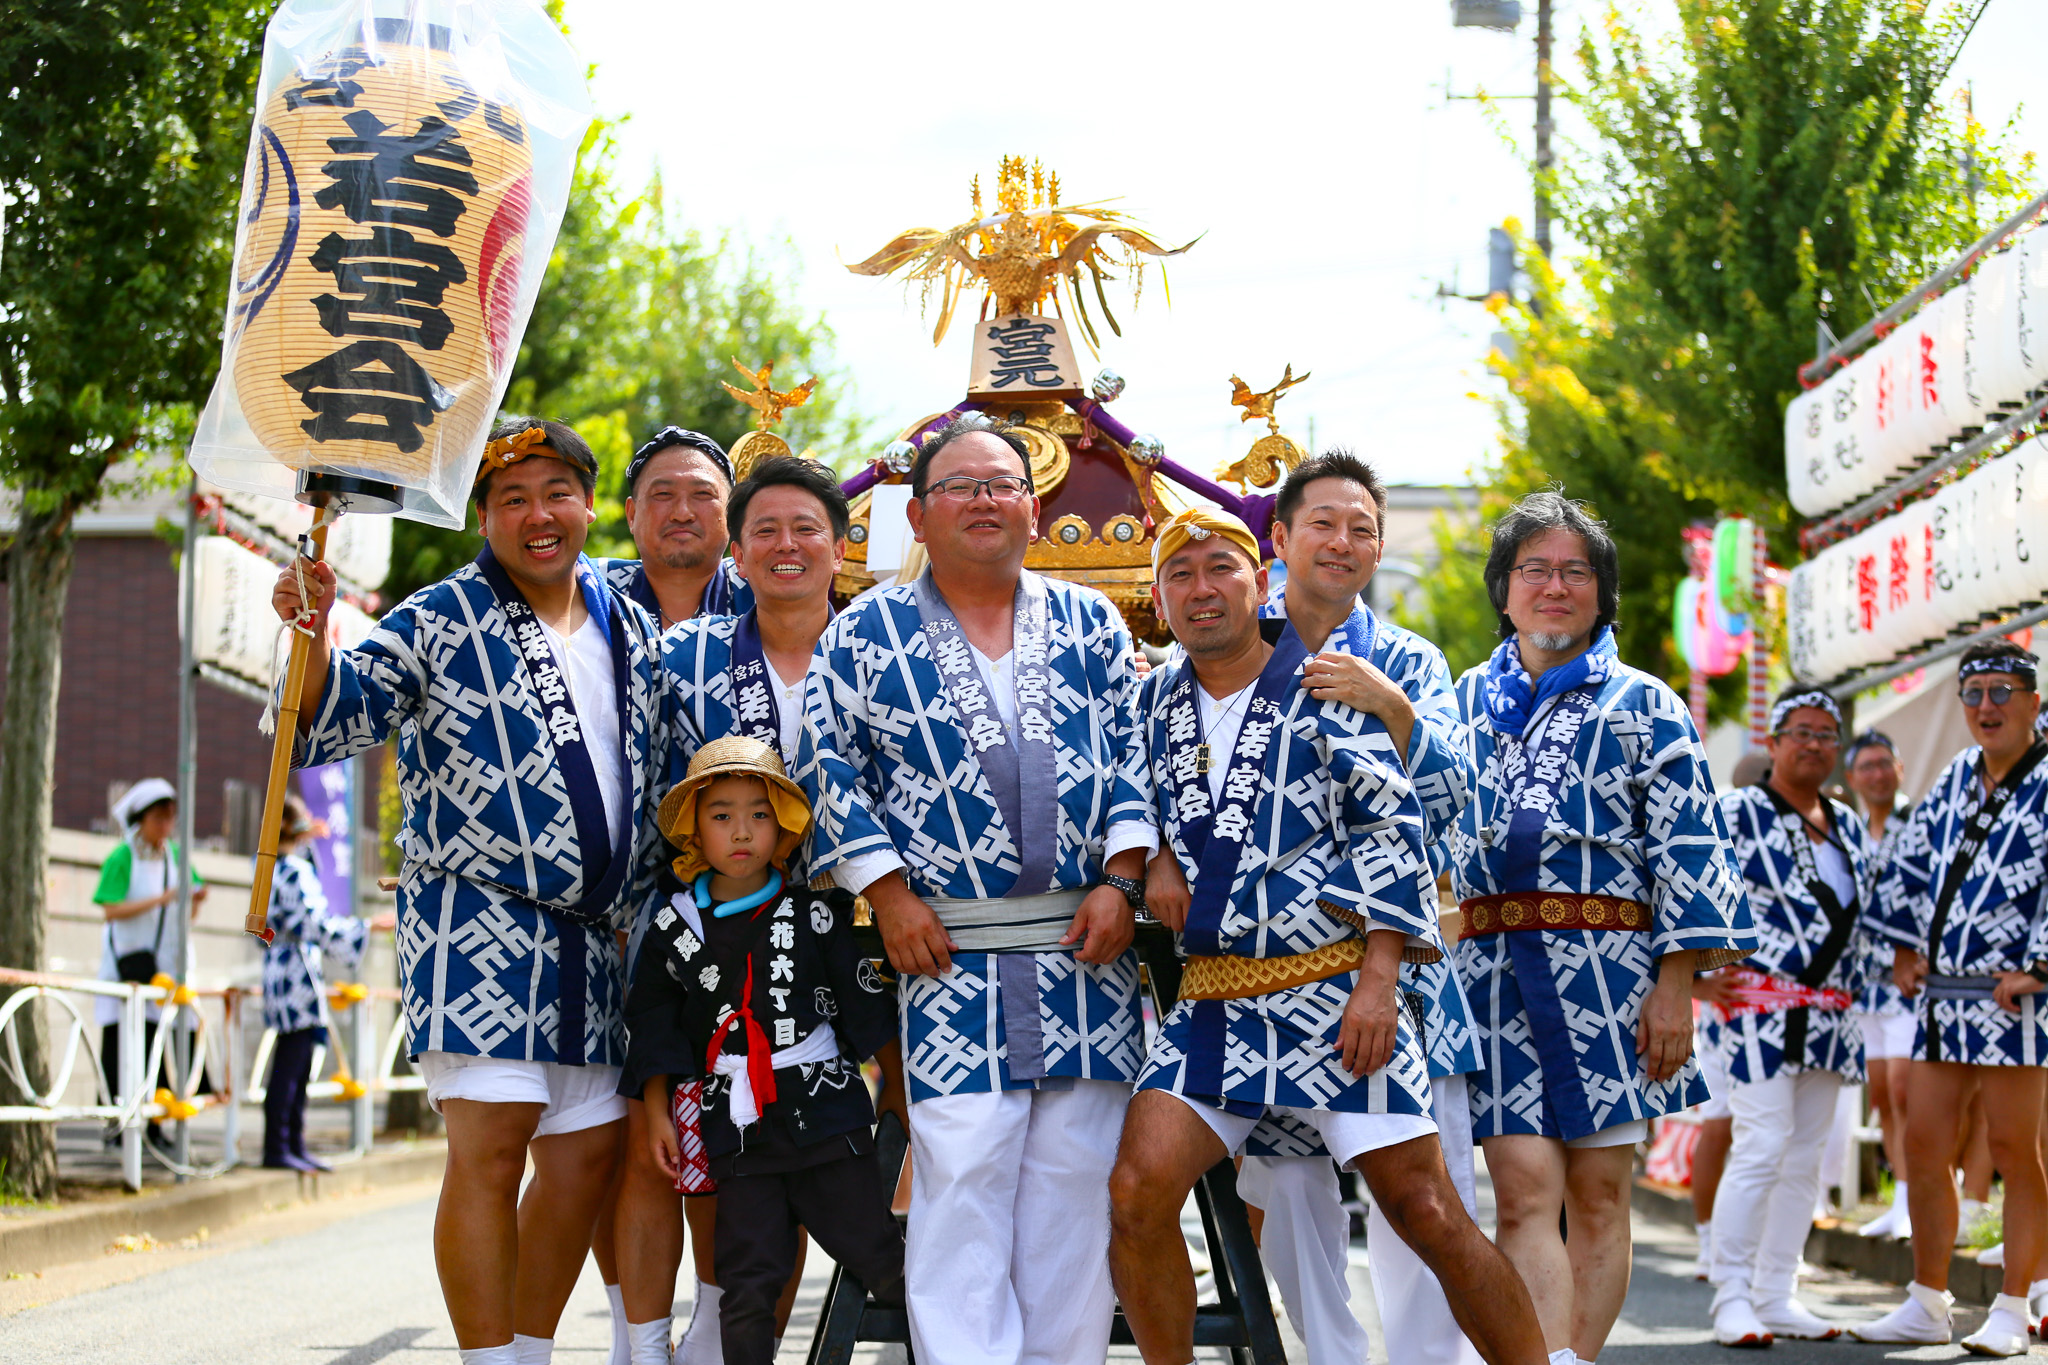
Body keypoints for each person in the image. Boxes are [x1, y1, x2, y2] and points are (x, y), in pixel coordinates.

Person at [1108, 506, 1548, 1365]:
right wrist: (1155, 852)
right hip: (1215, 999)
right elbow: (1122, 791)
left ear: (1258, 580)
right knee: (1135, 1190)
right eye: (1182, 574)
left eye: (1220, 568)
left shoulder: (1320, 680)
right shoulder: (1153, 700)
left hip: (1334, 991)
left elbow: (1391, 828)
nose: (1202, 589)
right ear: (1159, 599)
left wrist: (1380, 979)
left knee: (1426, 1211)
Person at [272, 418, 669, 1365]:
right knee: (491, 1156)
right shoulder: (439, 613)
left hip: (599, 940)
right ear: (484, 517)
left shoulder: (632, 616)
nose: (539, 515)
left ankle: (527, 1351)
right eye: (512, 499)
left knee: (582, 1163)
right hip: (475, 926)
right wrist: (311, 627)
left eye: (556, 493)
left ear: (587, 503)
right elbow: (330, 719)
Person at [798, 411, 1153, 1365]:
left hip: (1089, 959)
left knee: (1074, 1197)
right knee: (961, 1184)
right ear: (917, 515)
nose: (983, 499)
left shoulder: (1091, 623)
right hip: (946, 957)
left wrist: (1124, 877)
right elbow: (827, 767)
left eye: (1001, 484)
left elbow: (1136, 758)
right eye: (959, 486)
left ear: (1034, 510)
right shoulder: (861, 633)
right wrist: (888, 892)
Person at [1447, 491, 1754, 1365]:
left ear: (1600, 592)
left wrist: (1678, 986)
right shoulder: (1461, 702)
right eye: (1534, 569)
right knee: (1519, 1192)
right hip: (1495, 977)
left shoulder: (1648, 704)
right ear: (1503, 589)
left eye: (1574, 571)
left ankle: (1572, 1358)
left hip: (1612, 978)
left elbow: (1689, 847)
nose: (1554, 586)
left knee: (1599, 1198)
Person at [1236, 450, 1485, 1365]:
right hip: (1263, 976)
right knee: (1289, 1190)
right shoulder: (1233, 638)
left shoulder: (1411, 659)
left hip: (1398, 977)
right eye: (1325, 523)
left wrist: (1396, 710)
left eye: (1363, 528)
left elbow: (1460, 801)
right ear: (1282, 536)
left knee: (1424, 1198)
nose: (1343, 541)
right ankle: (1332, 1357)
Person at [609, 456, 849, 1363]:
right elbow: (629, 782)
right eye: (765, 532)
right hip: (706, 933)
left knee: (792, 1156)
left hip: (850, 935)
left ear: (839, 542)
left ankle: (731, 1339)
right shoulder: (680, 654)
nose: (786, 547)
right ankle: (646, 1343)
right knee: (669, 1141)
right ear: (736, 554)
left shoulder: (881, 646)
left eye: (805, 529)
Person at [622, 738, 907, 1365]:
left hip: (826, 1119)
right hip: (737, 1128)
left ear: (783, 826)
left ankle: (954, 1349)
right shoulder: (672, 926)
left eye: (759, 813)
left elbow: (867, 1008)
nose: (742, 831)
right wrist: (656, 1110)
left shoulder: (819, 912)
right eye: (721, 815)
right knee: (746, 1282)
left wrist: (901, 1094)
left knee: (881, 1258)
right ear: (694, 829)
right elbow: (651, 1020)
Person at [1854, 639, 2048, 1354]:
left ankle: (2013, 1307)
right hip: (1943, 992)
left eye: (2003, 691)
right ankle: (1927, 1299)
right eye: (1974, 694)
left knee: (2012, 1149)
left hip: (2012, 997)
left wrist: (2041, 962)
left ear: (2033, 699)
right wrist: (1903, 944)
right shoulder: (1957, 775)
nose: (1987, 707)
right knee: (1926, 1140)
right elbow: (1905, 863)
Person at [1705, 688, 1874, 1345]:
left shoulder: (1849, 822)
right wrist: (1691, 969)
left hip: (1831, 1009)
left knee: (1805, 1159)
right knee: (1762, 1144)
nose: (1814, 743)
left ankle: (1778, 1291)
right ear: (1773, 742)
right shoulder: (1736, 809)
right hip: (1756, 1003)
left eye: (1826, 733)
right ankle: (1731, 1295)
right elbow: (1686, 876)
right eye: (1799, 731)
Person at [259, 793, 383, 1172]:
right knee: (293, 1062)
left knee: (294, 1060)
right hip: (297, 970)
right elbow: (317, 923)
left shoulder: (266, 868)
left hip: (278, 966)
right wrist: (365, 927)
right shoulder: (294, 871)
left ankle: (288, 1143)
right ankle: (281, 1145)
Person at [92, 777, 206, 1150]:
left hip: (166, 967)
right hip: (129, 968)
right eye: (160, 818)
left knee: (162, 1048)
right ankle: (118, 1126)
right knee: (124, 1046)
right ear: (141, 819)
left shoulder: (175, 855)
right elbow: (110, 909)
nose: (167, 826)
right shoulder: (121, 856)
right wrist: (161, 899)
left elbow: (186, 910)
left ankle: (154, 1128)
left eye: (171, 818)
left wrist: (193, 899)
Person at [1842, 729, 1916, 1240]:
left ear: (1899, 768)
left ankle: (1920, 1199)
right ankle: (1901, 1202)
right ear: (1852, 777)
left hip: (1910, 982)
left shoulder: (1921, 824)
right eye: (1866, 766)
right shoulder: (1848, 830)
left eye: (1883, 763)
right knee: (1884, 1100)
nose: (1876, 774)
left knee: (1906, 1092)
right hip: (1862, 985)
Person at [600, 427, 752, 627]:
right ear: (632, 515)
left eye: (703, 494)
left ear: (731, 514)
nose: (682, 514)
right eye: (663, 494)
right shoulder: (591, 589)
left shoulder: (764, 590)